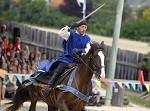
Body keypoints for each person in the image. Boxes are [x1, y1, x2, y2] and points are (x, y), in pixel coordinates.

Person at [41, 21, 92, 96]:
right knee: (59, 70)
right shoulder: (70, 34)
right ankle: (49, 87)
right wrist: (68, 27)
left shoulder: (87, 38)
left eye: (85, 27)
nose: (84, 29)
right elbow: (61, 33)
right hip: (67, 58)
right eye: (82, 27)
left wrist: (80, 50)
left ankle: (87, 94)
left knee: (87, 75)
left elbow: (88, 49)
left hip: (79, 60)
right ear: (77, 27)